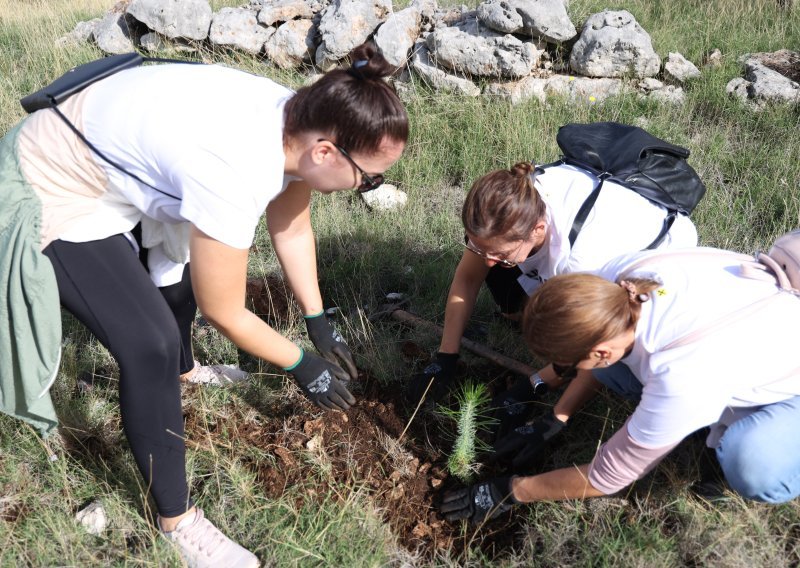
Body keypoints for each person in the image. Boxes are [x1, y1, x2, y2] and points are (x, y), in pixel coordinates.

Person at [0, 43, 408, 567]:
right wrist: (302, 365)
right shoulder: (236, 166)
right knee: (149, 343)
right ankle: (176, 522)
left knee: (191, 266)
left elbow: (292, 224)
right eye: (368, 178)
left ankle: (185, 373)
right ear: (326, 153)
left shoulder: (303, 118)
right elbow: (225, 310)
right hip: (52, 178)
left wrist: (318, 322)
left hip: (107, 158)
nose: (368, 187)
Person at [439, 246, 800, 524]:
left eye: (569, 362)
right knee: (615, 372)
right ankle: (696, 419)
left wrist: (513, 490)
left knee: (751, 460)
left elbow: (607, 477)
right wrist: (552, 409)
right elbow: (598, 362)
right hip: (745, 335)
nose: (564, 369)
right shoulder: (617, 280)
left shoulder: (679, 374)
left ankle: (739, 447)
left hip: (782, 380)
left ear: (599, 350)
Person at [406, 161, 698, 417]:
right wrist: (446, 356)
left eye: (500, 253)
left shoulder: (582, 261)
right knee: (496, 264)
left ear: (538, 230)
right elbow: (468, 278)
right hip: (560, 244)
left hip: (653, 269)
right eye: (484, 250)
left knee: (602, 353)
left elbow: (598, 343)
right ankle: (517, 311)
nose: (490, 261)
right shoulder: (510, 206)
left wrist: (534, 385)